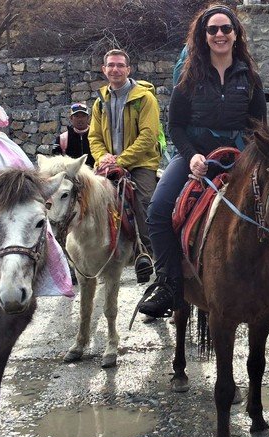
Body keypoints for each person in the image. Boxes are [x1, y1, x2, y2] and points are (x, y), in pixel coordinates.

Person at [138, 4, 269, 319]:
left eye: (226, 29)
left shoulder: (250, 76)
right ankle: (169, 284)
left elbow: (259, 127)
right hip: (195, 154)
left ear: (236, 34)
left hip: (242, 155)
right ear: (204, 35)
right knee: (157, 211)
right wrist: (192, 155)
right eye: (213, 30)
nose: (220, 34)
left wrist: (258, 157)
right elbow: (176, 126)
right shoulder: (189, 75)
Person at [89, 48, 165, 284]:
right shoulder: (100, 101)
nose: (115, 69)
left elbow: (148, 136)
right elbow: (94, 137)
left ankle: (146, 253)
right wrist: (102, 158)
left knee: (145, 201)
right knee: (87, 198)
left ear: (128, 69)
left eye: (120, 65)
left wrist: (120, 160)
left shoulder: (145, 98)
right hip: (109, 162)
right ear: (104, 70)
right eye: (111, 65)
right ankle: (93, 252)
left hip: (141, 162)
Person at [53, 103, 95, 167]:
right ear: (71, 118)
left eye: (83, 116)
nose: (80, 119)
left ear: (88, 118)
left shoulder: (96, 136)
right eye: (77, 116)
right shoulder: (62, 139)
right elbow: (56, 162)